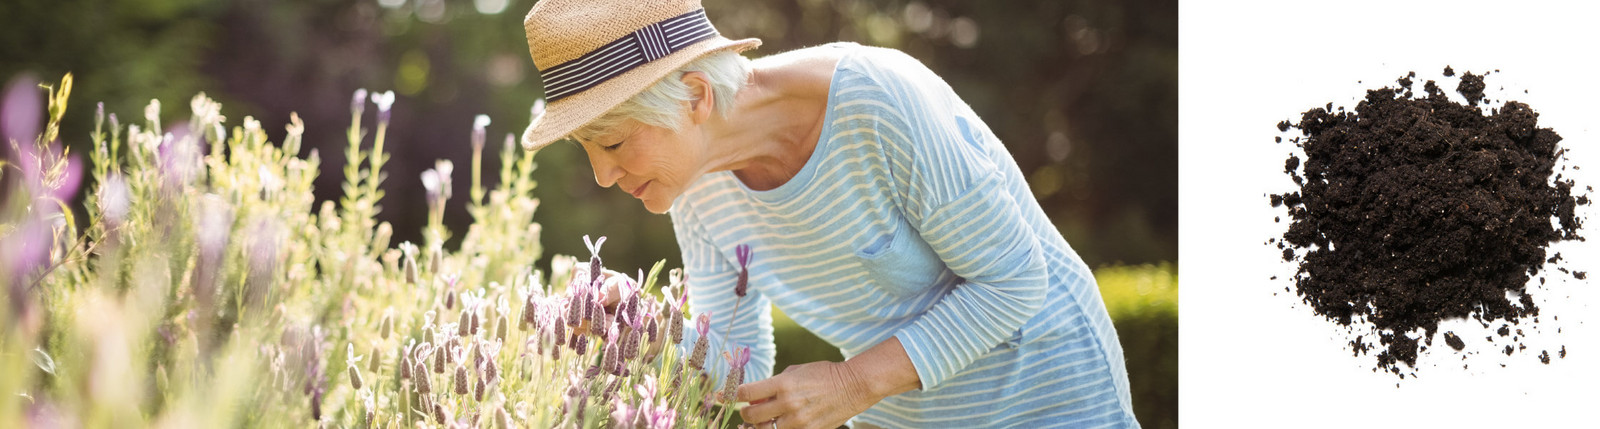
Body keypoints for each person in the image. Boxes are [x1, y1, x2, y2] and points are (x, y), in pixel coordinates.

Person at [520, 0, 1138, 427]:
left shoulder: (877, 100)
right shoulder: (697, 188)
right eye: (587, 150)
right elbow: (738, 366)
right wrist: (645, 326)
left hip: (1055, 402)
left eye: (613, 143)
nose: (602, 176)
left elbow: (1015, 280)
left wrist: (852, 384)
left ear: (695, 97)